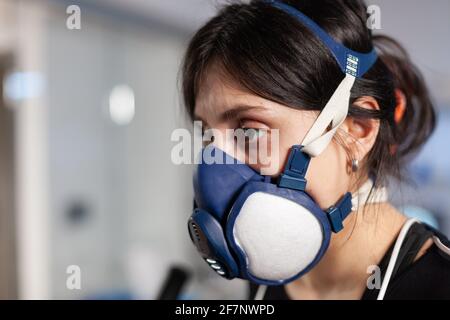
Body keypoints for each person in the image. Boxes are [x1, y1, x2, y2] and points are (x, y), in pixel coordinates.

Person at [181, 0, 450, 300]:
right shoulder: (266, 277)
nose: (217, 164)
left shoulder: (440, 284)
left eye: (250, 131)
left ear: (358, 128)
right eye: (207, 136)